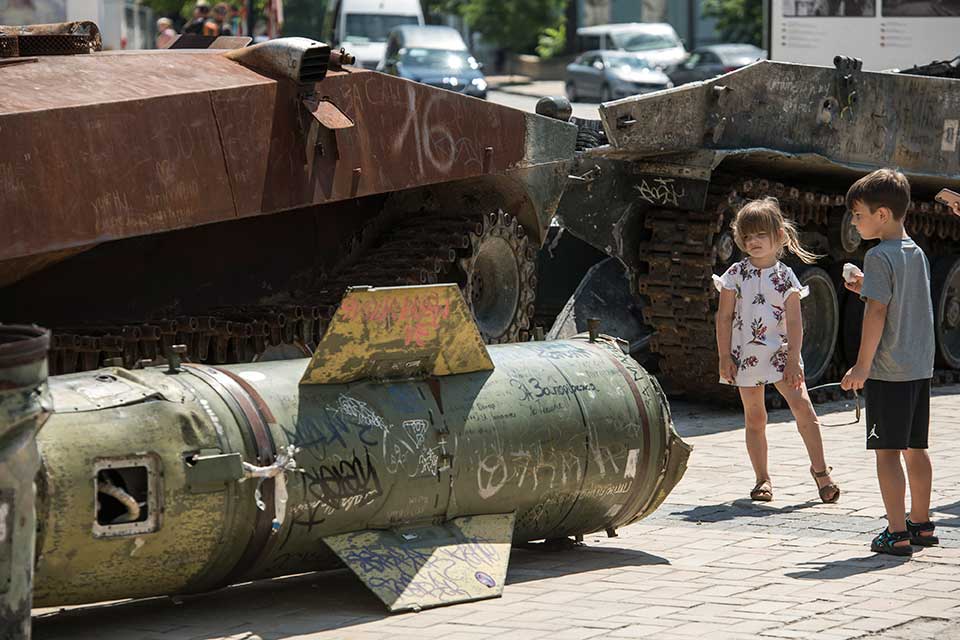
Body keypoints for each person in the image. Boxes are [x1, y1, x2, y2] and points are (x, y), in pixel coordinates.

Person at [715, 198, 840, 504]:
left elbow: (796, 321)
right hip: (746, 355)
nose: (753, 241)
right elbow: (724, 316)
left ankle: (821, 471)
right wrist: (723, 357)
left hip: (782, 355)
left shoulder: (786, 278)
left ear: (779, 236)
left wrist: (795, 359)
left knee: (804, 410)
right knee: (755, 418)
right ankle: (762, 479)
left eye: (760, 234)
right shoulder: (734, 274)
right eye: (747, 237)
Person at [841, 168, 937, 557]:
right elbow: (903, 301)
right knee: (916, 448)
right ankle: (922, 523)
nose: (855, 221)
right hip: (919, 368)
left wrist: (862, 366)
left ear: (882, 214)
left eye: (859, 214)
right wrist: (868, 286)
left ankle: (895, 532)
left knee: (887, 453)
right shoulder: (916, 253)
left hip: (889, 371)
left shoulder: (878, 254)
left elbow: (878, 312)